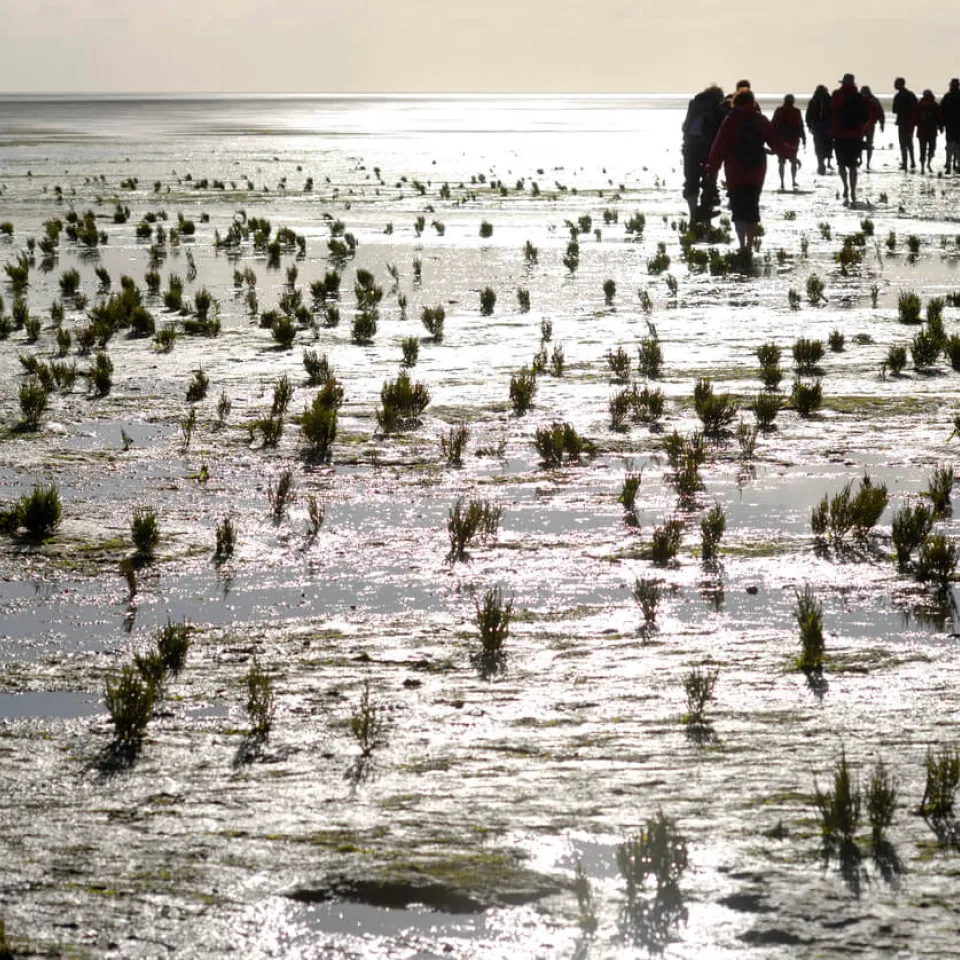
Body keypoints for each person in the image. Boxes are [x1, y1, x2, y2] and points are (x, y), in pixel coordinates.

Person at [706, 88, 795, 251]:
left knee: (739, 208)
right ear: (753, 102)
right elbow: (776, 143)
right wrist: (791, 154)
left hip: (735, 171)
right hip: (757, 171)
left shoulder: (730, 120)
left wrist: (712, 167)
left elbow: (719, 146)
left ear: (735, 102)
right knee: (752, 206)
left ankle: (741, 244)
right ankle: (749, 244)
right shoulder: (760, 120)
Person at [681, 85, 725, 224]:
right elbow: (723, 129)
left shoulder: (693, 105)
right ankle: (705, 213)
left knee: (691, 182)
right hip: (707, 149)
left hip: (689, 147)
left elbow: (684, 127)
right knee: (709, 183)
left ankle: (693, 215)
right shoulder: (717, 110)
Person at [831, 73, 869, 205]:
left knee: (841, 164)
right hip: (855, 135)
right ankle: (852, 190)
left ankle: (845, 186)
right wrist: (863, 130)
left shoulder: (836, 95)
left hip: (839, 135)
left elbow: (832, 113)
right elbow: (866, 116)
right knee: (853, 166)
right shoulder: (859, 97)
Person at [771, 94, 806, 189]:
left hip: (781, 139)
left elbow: (773, 124)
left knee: (781, 161)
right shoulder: (796, 111)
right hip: (793, 139)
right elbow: (800, 125)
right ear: (793, 101)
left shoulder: (779, 110)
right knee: (793, 160)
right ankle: (793, 181)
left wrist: (771, 138)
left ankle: (782, 182)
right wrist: (804, 138)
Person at [805, 85, 833, 175]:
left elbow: (808, 115)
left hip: (817, 126)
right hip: (827, 126)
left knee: (818, 146)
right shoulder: (829, 99)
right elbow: (834, 113)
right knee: (827, 145)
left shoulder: (813, 100)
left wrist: (809, 126)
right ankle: (823, 162)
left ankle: (821, 163)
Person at [914, 89, 944, 173]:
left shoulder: (919, 104)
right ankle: (928, 164)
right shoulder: (935, 104)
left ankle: (923, 167)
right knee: (932, 148)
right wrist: (941, 127)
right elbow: (940, 117)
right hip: (932, 131)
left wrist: (916, 124)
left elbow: (915, 117)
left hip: (922, 131)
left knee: (922, 149)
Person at [893, 77, 918, 170]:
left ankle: (905, 163)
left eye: (895, 83)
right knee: (910, 143)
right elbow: (916, 107)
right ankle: (912, 162)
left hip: (902, 122)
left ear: (899, 84)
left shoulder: (898, 96)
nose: (894, 85)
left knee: (903, 144)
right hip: (911, 122)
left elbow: (894, 110)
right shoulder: (911, 95)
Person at [860, 85, 885, 171]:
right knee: (867, 143)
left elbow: (880, 112)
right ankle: (865, 161)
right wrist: (882, 124)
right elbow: (881, 112)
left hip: (865, 125)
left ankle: (864, 161)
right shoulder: (874, 100)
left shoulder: (862, 99)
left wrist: (882, 124)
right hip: (867, 125)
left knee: (864, 143)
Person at [941, 78, 960, 174]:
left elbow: (942, 111)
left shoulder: (947, 96)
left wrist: (941, 124)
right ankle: (956, 165)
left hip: (949, 125)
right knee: (957, 145)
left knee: (949, 145)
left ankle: (948, 165)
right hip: (957, 124)